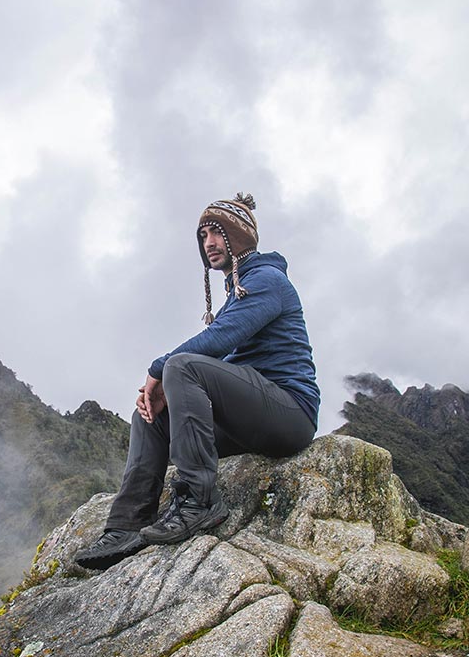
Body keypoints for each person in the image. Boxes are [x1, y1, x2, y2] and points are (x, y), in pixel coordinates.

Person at [75, 192, 320, 570]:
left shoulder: (267, 280)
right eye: (203, 235)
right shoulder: (235, 292)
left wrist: (159, 368)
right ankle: (127, 526)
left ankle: (199, 501)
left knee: (180, 366)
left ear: (238, 237)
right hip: (249, 421)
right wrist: (158, 391)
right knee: (150, 414)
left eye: (217, 233)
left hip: (289, 414)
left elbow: (218, 340)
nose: (208, 243)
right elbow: (217, 352)